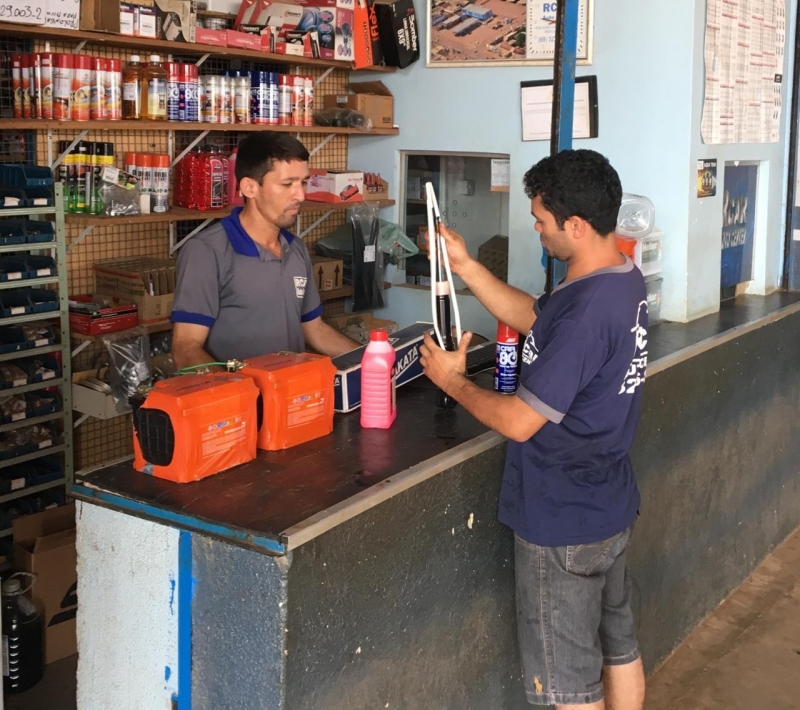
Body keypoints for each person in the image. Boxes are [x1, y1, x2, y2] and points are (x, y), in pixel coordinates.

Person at [420, 149, 648, 710]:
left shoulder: (588, 313)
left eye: (542, 221)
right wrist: (465, 265)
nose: (537, 230)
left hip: (563, 516)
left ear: (576, 225)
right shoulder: (619, 278)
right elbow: (535, 318)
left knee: (570, 685)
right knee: (618, 646)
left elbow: (520, 422)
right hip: (607, 503)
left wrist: (452, 382)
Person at [171, 132, 357, 369]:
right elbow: (185, 349)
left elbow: (315, 329)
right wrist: (237, 388)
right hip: (240, 391)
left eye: (303, 182)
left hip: (294, 389)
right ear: (249, 187)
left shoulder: (295, 248)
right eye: (287, 184)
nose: (300, 195)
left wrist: (373, 359)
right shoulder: (206, 251)